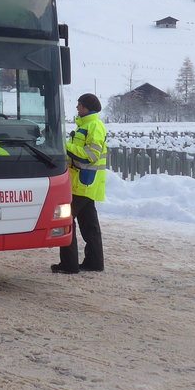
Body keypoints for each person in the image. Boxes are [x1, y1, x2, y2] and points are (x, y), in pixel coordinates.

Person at [52, 92, 107, 274]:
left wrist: (64, 146)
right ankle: (94, 262)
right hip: (83, 183)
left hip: (83, 183)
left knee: (66, 220)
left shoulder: (94, 126)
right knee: (89, 224)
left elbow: (91, 155)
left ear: (87, 107)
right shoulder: (88, 125)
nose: (77, 107)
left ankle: (69, 265)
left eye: (79, 105)